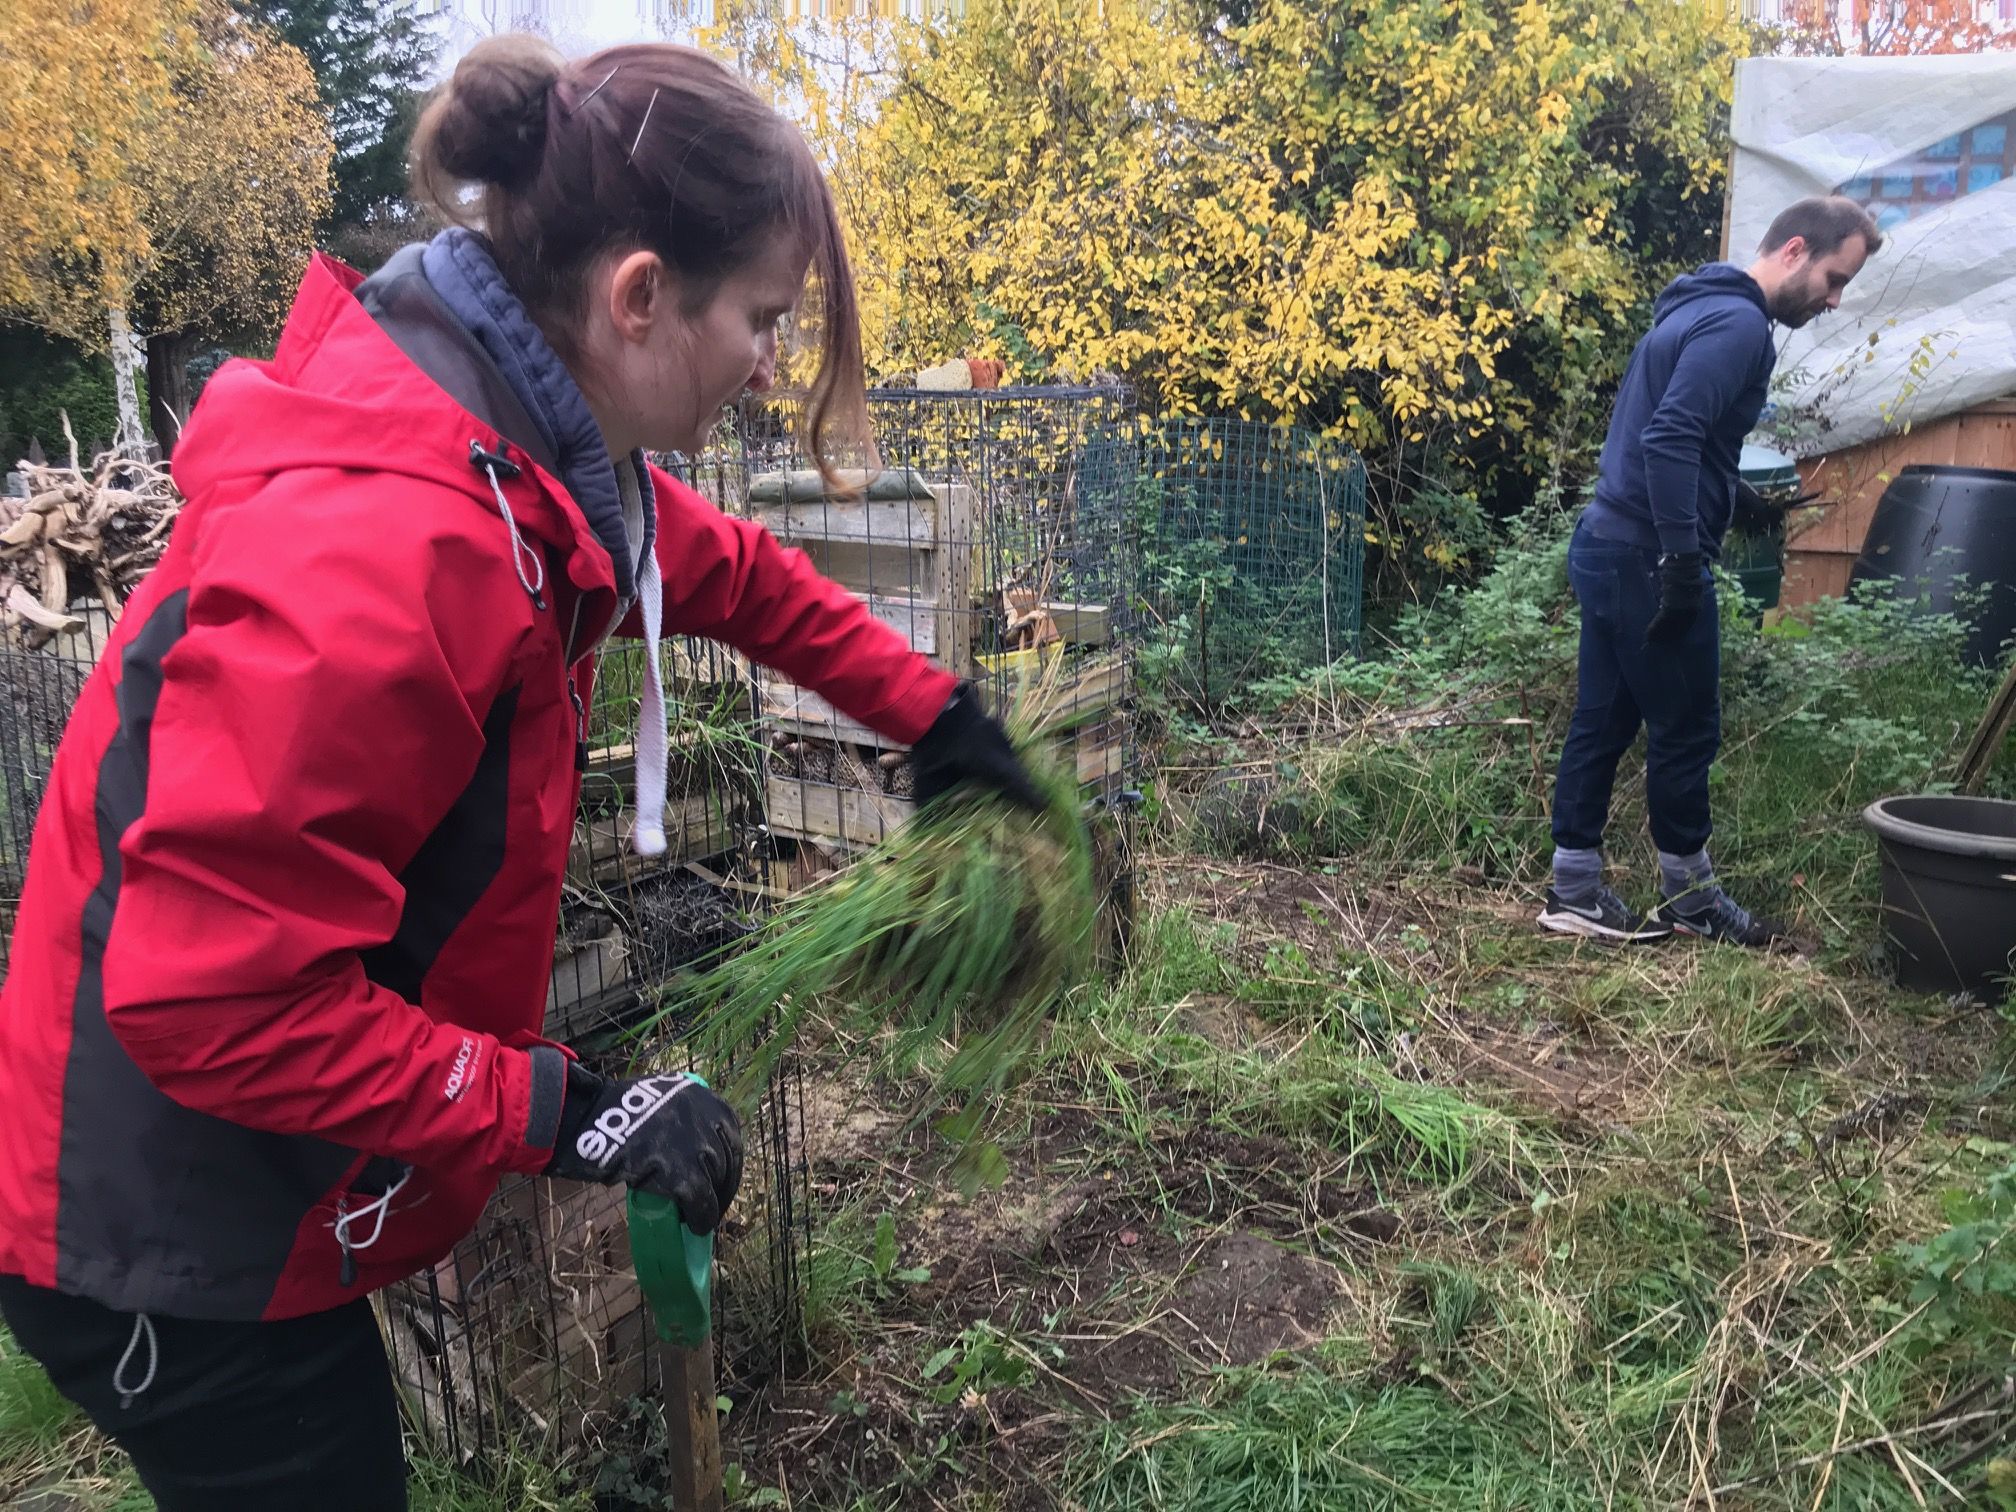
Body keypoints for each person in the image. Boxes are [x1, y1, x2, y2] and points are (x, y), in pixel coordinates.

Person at [0, 37, 1039, 1511]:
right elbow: (207, 1000)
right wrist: (567, 1110)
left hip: (265, 1160)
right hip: (165, 1209)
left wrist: (937, 717)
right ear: (639, 296)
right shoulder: (382, 547)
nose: (768, 364)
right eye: (760, 318)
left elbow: (734, 572)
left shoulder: (525, 451)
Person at [1538, 196, 1882, 947]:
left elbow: (1676, 435)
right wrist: (1682, 559)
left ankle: (1575, 890)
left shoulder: (1696, 305)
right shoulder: (1739, 327)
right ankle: (1691, 899)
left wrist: (1733, 495)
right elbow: (1669, 438)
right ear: (1795, 250)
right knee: (1688, 727)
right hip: (1645, 556)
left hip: (1606, 540)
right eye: (1834, 279)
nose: (1834, 300)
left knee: (1603, 718)